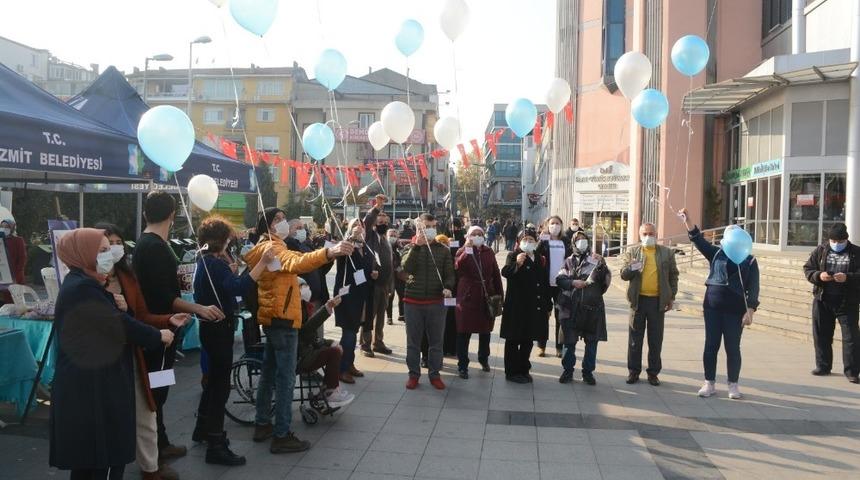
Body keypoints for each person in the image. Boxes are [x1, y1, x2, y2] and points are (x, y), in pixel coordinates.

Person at [49, 228, 174, 480]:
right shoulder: (82, 288)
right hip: (94, 390)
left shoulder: (89, 283)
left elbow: (122, 318)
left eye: (112, 248)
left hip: (96, 386)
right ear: (83, 253)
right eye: (103, 250)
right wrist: (158, 335)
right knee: (103, 460)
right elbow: (118, 326)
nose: (109, 255)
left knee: (91, 463)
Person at [244, 208, 353, 453]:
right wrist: (328, 252)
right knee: (284, 379)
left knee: (270, 374)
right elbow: (297, 262)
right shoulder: (269, 249)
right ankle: (282, 434)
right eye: (278, 220)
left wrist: (326, 252)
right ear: (268, 227)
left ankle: (263, 423)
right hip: (282, 319)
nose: (284, 223)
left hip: (276, 318)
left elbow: (298, 257)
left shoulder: (273, 247)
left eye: (284, 219)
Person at [133, 191, 225, 463]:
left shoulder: (145, 244)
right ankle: (155, 450)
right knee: (157, 391)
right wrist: (198, 308)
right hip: (160, 331)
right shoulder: (156, 247)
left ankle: (160, 441)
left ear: (145, 214)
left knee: (157, 388)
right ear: (173, 215)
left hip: (159, 328)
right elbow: (163, 297)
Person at [97, 223, 189, 480]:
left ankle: (152, 466)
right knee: (112, 417)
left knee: (150, 408)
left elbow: (142, 315)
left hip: (140, 353)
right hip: (107, 359)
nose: (113, 249)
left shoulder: (128, 276)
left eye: (116, 243)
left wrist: (168, 320)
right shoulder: (88, 281)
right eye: (106, 245)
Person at [192, 216, 274, 465]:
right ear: (220, 239)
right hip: (219, 329)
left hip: (211, 329)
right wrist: (262, 263)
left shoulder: (205, 261)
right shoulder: (214, 264)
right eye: (227, 238)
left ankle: (203, 428)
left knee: (214, 381)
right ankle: (216, 443)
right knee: (219, 387)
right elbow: (239, 287)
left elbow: (227, 286)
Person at [680, 209, 759, 399]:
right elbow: (697, 240)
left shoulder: (749, 260)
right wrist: (688, 220)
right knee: (711, 345)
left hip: (735, 310)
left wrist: (750, 310)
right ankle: (709, 383)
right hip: (713, 307)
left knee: (733, 348)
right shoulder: (716, 254)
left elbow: (754, 287)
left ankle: (733, 385)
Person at [620, 222, 679, 386]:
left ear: (656, 234)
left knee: (655, 340)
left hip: (657, 302)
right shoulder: (633, 252)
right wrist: (632, 267)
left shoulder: (666, 253)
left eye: (651, 233)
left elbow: (673, 276)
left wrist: (671, 296)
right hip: (638, 301)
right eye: (645, 234)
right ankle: (633, 372)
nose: (648, 237)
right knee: (634, 340)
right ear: (640, 235)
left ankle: (653, 373)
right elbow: (623, 275)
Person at [401, 213, 456, 390]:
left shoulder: (443, 250)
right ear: (419, 228)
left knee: (436, 342)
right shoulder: (409, 247)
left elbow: (450, 274)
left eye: (433, 227)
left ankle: (435, 374)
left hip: (436, 303)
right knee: (413, 342)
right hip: (412, 302)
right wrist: (417, 246)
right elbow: (406, 268)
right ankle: (413, 374)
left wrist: (448, 287)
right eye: (427, 227)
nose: (430, 230)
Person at [803, 223, 860, 384]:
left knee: (851, 338)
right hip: (823, 299)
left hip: (847, 302)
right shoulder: (821, 250)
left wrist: (848, 277)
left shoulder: (856, 252)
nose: (836, 243)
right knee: (821, 334)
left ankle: (852, 371)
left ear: (846, 239)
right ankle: (823, 365)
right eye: (833, 240)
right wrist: (819, 276)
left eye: (839, 240)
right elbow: (808, 269)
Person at [556, 231, 611, 386]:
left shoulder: (596, 260)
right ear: (573, 242)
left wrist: (603, 264)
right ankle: (567, 371)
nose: (581, 242)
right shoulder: (568, 261)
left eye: (584, 239)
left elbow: (605, 283)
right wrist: (573, 283)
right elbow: (560, 279)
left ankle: (588, 373)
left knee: (592, 342)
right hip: (570, 308)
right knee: (569, 342)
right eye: (578, 239)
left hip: (592, 308)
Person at [500, 228, 551, 383]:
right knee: (513, 340)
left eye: (531, 240)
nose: (528, 242)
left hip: (534, 306)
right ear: (518, 241)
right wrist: (518, 263)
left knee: (528, 340)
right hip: (516, 306)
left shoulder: (540, 258)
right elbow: (506, 272)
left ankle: (524, 368)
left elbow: (544, 283)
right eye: (525, 239)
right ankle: (512, 372)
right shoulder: (513, 255)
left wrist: (547, 304)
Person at [296, 279, 355, 407]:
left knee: (335, 348)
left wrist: (329, 342)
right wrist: (327, 308)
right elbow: (306, 331)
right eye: (303, 286)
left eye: (307, 285)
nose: (307, 289)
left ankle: (329, 389)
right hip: (301, 356)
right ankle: (330, 391)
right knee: (333, 352)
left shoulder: (304, 306)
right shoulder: (296, 308)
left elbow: (312, 337)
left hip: (307, 350)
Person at [454, 226, 503, 379]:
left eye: (480, 234)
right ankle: (463, 364)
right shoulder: (462, 250)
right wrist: (466, 251)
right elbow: (458, 267)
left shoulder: (488, 252)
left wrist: (500, 295)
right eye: (473, 234)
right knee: (464, 332)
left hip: (486, 295)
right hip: (467, 295)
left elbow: (495, 273)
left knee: (485, 331)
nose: (477, 236)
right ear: (467, 236)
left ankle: (484, 358)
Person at [334, 218, 376, 384]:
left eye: (362, 226)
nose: (359, 229)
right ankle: (341, 369)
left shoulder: (365, 248)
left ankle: (349, 364)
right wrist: (352, 237)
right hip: (348, 297)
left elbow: (364, 271)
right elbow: (341, 256)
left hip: (362, 296)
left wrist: (372, 275)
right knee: (349, 333)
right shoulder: (346, 246)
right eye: (355, 226)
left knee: (354, 331)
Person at [360, 195, 394, 356]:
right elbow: (367, 221)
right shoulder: (370, 235)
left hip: (384, 285)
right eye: (380, 221)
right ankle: (365, 344)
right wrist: (377, 207)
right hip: (372, 283)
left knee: (380, 317)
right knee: (368, 316)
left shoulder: (386, 239)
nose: (383, 224)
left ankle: (378, 342)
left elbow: (391, 264)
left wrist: (391, 286)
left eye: (386, 222)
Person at [535, 215, 572, 358]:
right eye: (552, 223)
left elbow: (571, 258)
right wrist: (541, 240)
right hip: (545, 283)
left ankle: (559, 346)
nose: (555, 226)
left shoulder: (565, 241)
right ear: (547, 225)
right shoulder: (544, 241)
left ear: (561, 226)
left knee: (560, 317)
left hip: (561, 284)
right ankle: (541, 346)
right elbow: (536, 255)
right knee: (543, 316)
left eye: (557, 223)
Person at [0, 219, 26, 304]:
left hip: (15, 275)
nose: (4, 229)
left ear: (12, 228)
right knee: (4, 300)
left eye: (7, 227)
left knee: (15, 299)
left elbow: (22, 258)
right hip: (2, 275)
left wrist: (15, 274)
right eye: (2, 226)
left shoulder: (18, 240)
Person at [386, 228, 406, 324]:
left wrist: (401, 247)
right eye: (391, 235)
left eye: (394, 235)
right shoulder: (384, 246)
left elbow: (405, 257)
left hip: (399, 275)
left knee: (402, 295)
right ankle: (389, 317)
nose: (392, 237)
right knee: (390, 296)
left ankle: (401, 315)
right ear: (387, 236)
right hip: (389, 276)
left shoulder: (400, 247)